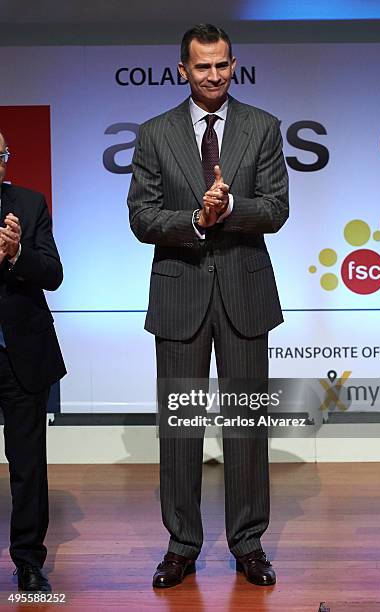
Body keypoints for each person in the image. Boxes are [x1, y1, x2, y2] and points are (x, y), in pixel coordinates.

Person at [128, 23, 289, 588]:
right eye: (203, 67)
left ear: (233, 64)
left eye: (222, 65)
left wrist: (229, 206)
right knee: (180, 429)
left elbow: (275, 209)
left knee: (247, 426)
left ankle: (248, 545)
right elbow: (142, 218)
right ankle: (181, 545)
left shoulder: (263, 127)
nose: (214, 75)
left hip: (245, 290)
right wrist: (197, 219)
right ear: (182, 70)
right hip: (179, 290)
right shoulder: (153, 134)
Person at [0, 130, 66, 592]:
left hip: (20, 354)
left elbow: (54, 273)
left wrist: (17, 252)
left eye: (0, 155)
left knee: (28, 466)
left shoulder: (29, 203)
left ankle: (27, 562)